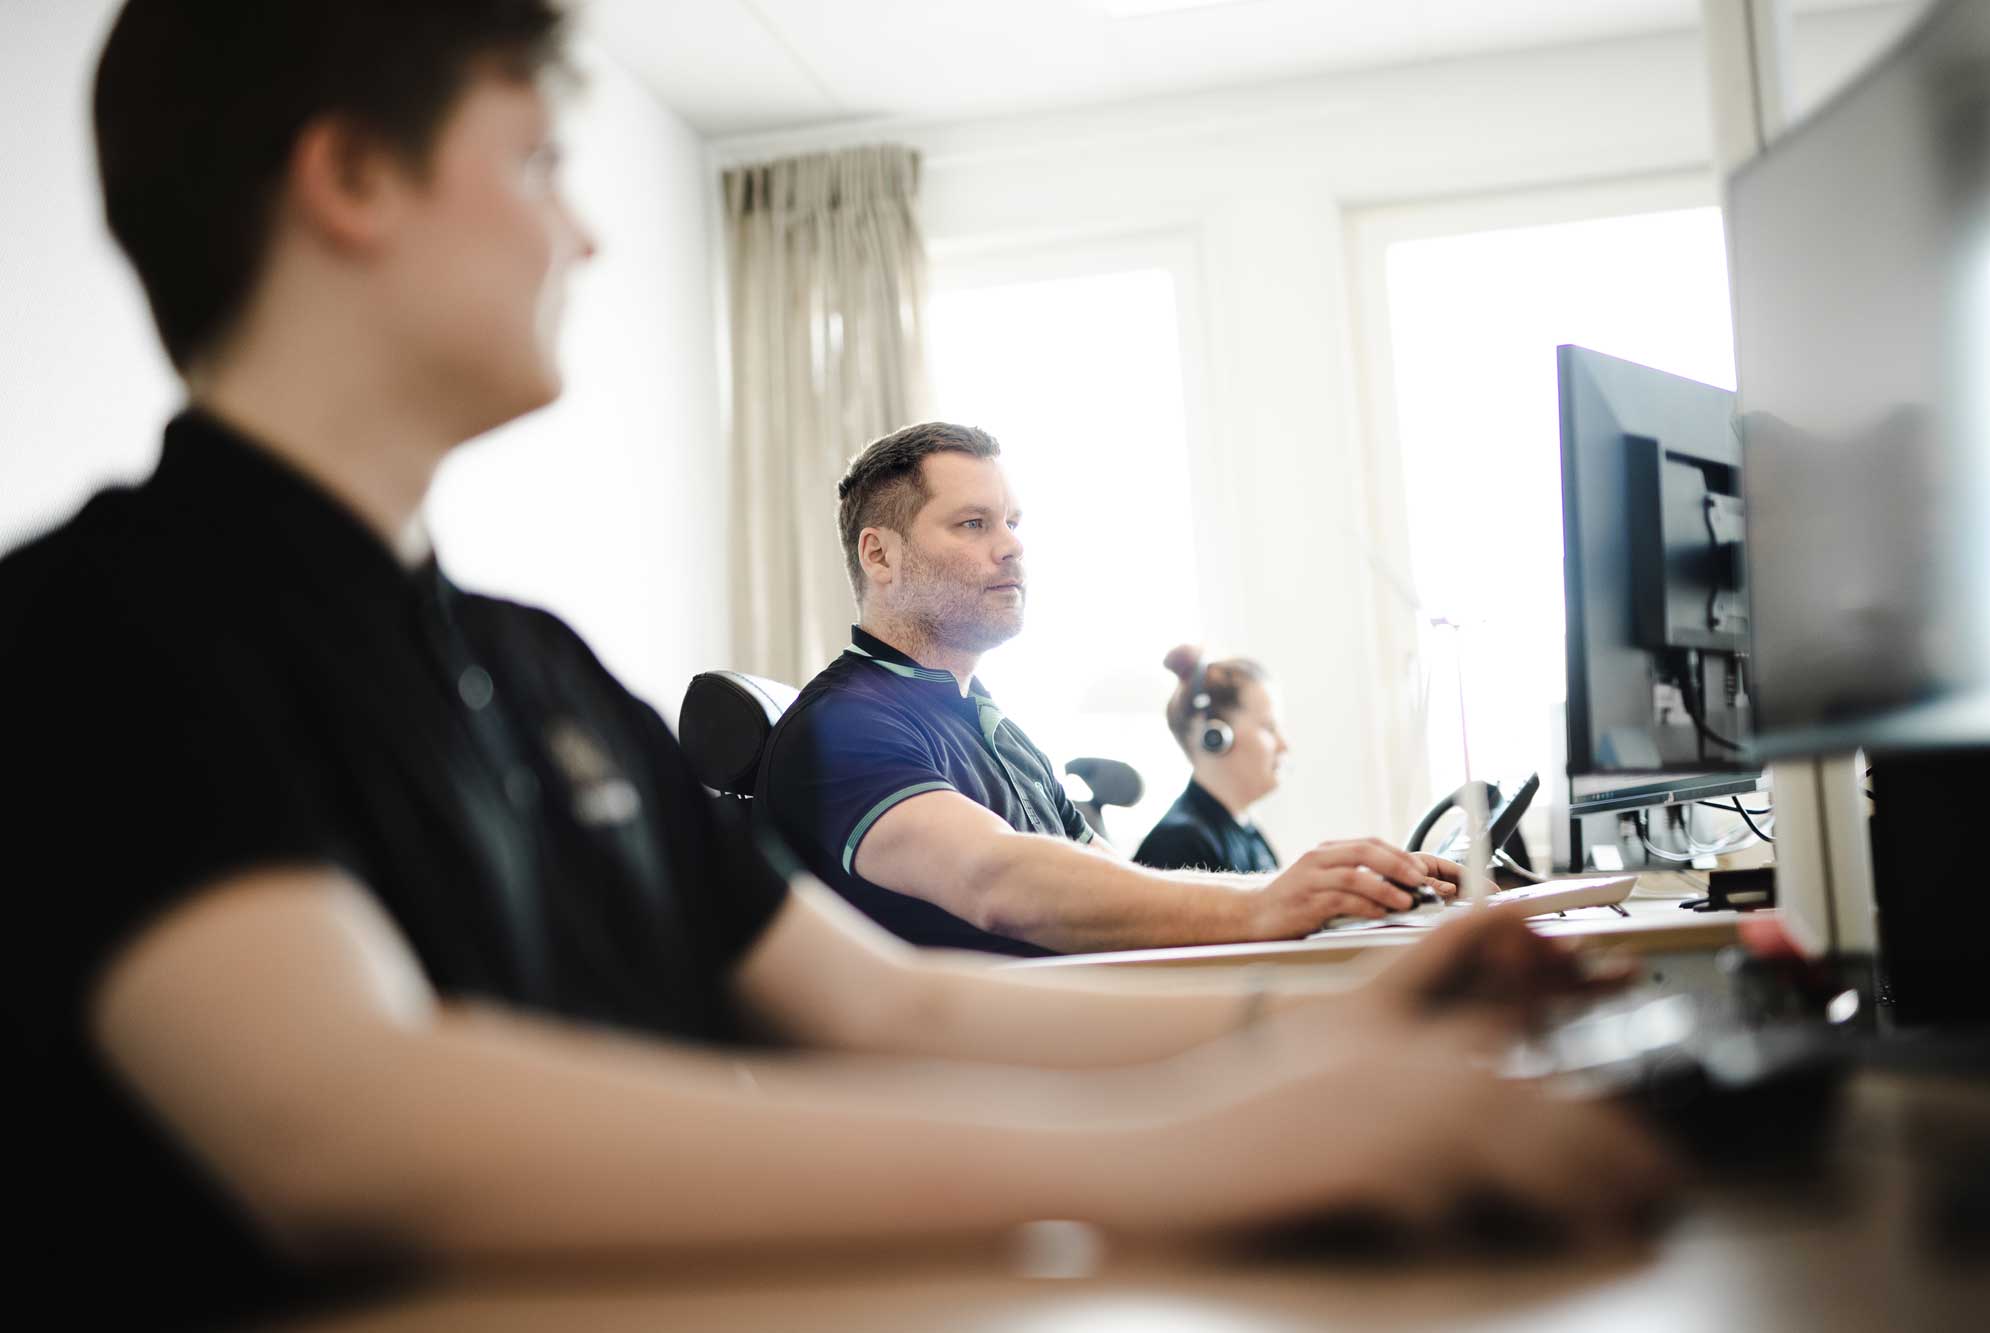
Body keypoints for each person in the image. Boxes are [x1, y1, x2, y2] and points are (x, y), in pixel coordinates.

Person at [0, 3, 1677, 1325]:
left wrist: (1328, 1021)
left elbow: (883, 998)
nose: (582, 241)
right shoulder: (99, 631)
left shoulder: (536, 670)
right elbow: (351, 1127)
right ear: (351, 177)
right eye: (534, 168)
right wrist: (1187, 1151)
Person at [757, 424, 1459, 958]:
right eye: (974, 523)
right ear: (879, 554)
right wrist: (1263, 909)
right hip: (970, 1101)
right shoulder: (844, 726)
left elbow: (1112, 878)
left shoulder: (991, 724)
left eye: (1013, 522)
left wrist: (1344, 891)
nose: (1011, 546)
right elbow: (996, 880)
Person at [1132, 645, 1285, 875]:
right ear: (1216, 736)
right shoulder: (1179, 844)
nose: (1284, 746)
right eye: (1268, 727)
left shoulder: (1246, 833)